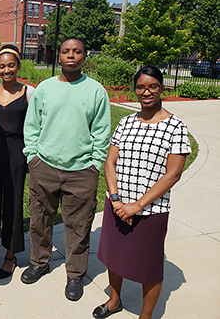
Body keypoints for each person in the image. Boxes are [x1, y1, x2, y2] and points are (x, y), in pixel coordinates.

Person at [93, 66, 191, 319]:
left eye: (152, 86)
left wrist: (136, 206)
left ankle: (145, 316)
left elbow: (173, 174)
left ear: (161, 88)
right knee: (113, 258)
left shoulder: (175, 127)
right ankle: (114, 300)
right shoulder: (126, 122)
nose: (146, 92)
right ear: (135, 89)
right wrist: (116, 200)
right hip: (117, 205)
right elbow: (110, 163)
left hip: (151, 210)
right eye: (141, 87)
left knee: (149, 267)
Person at [21, 37, 111, 302]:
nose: (71, 55)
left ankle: (75, 273)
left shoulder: (96, 91)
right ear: (58, 56)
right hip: (44, 167)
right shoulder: (44, 89)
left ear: (85, 56)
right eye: (65, 51)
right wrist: (33, 157)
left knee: (79, 225)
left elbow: (102, 132)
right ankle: (39, 261)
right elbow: (32, 127)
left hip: (82, 171)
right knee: (39, 218)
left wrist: (95, 164)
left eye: (77, 51)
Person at [0, 44, 34, 279]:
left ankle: (11, 255)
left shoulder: (28, 93)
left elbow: (35, 126)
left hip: (17, 154)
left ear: (18, 66)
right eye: (2, 66)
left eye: (11, 65)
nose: (6, 70)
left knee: (13, 204)